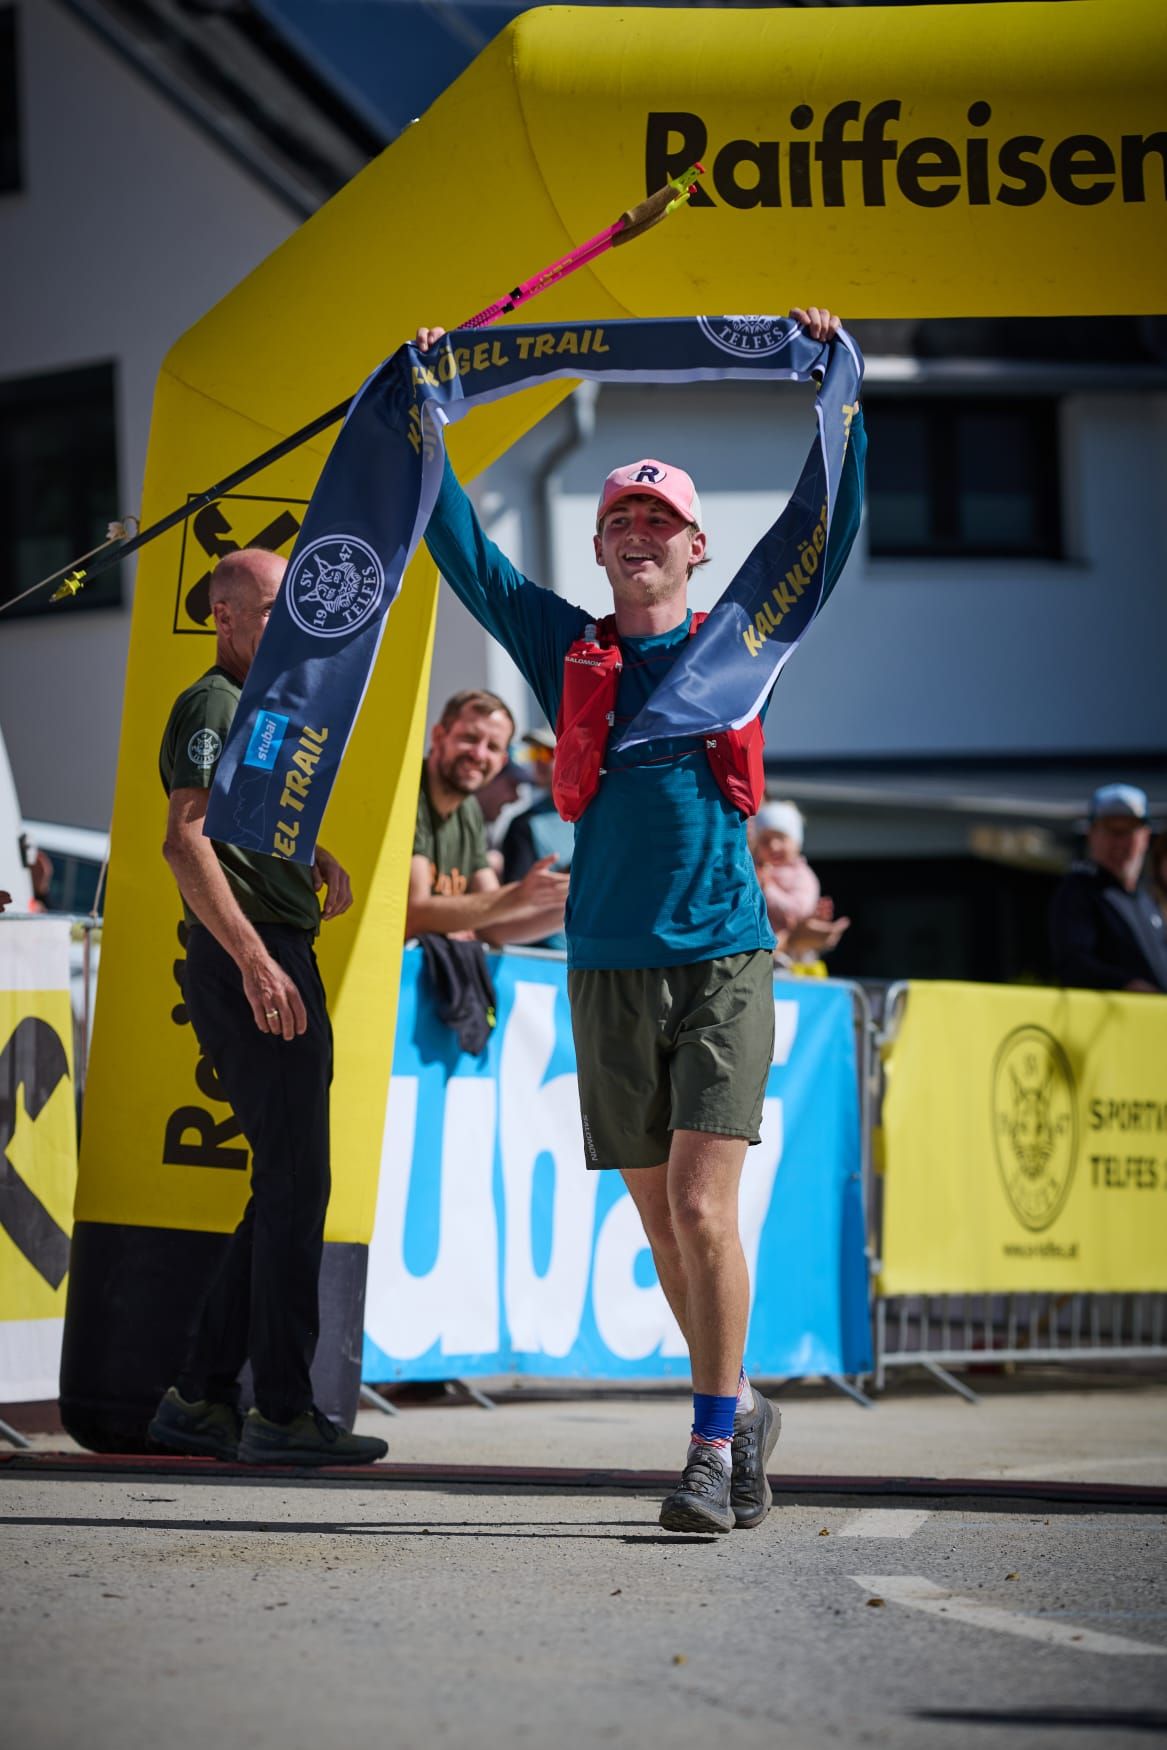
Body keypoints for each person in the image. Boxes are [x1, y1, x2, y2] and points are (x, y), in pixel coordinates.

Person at [415, 306, 866, 1533]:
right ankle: (744, 1406)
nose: (638, 531)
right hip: (605, 965)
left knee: (706, 1207)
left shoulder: (740, 644)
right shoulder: (566, 649)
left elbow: (823, 534)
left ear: (696, 547)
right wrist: (418, 415)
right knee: (665, 1219)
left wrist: (837, 390)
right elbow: (466, 554)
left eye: (659, 519)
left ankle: (709, 1448)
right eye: (622, 517)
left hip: (723, 956)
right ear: (602, 546)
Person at [148, 547, 387, 1467]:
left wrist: (308, 852)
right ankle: (281, 1412)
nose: (294, 618)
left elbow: (241, 819)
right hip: (252, 955)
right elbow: (185, 841)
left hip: (270, 947)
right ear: (225, 616)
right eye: (276, 603)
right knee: (294, 1186)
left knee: (286, 1185)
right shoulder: (213, 702)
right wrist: (253, 960)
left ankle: (202, 1399)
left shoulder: (257, 701)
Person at [407, 689, 569, 946]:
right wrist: (519, 896)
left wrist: (579, 902)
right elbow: (413, 913)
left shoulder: (468, 810)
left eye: (492, 747)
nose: (479, 754)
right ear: (438, 736)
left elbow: (494, 927)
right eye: (469, 738)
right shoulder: (409, 791)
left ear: (502, 760)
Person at [1049, 783, 1167, 993]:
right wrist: (1127, 984)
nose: (1119, 843)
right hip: (1116, 1013)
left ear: (1145, 836)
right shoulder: (1079, 890)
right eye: (1111, 831)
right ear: (1092, 834)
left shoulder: (1147, 896)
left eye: (1129, 831)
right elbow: (1074, 963)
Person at [750, 799, 849, 972]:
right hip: (760, 950)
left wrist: (767, 888)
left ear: (796, 841)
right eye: (765, 841)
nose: (773, 846)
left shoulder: (802, 876)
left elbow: (799, 910)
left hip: (791, 962)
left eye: (781, 838)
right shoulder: (756, 869)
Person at [500, 728, 573, 952]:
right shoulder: (523, 824)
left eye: (549, 753)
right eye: (535, 753)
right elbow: (516, 897)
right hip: (548, 954)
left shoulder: (600, 814)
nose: (540, 761)